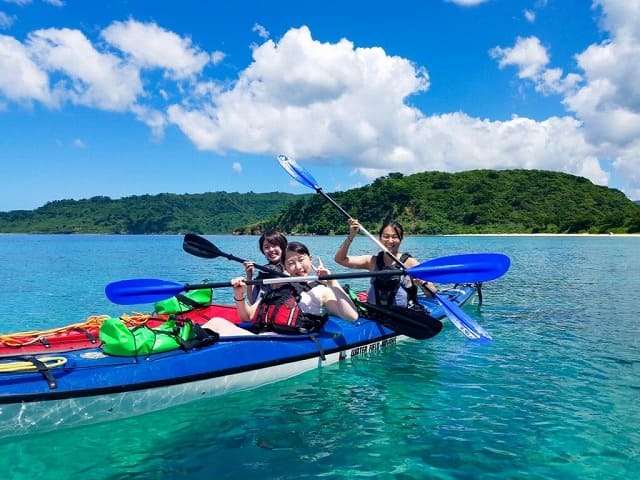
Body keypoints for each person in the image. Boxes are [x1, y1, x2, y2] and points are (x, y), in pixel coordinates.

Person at [203, 241, 359, 336]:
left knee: (216, 324)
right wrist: (239, 294)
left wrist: (331, 281)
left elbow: (352, 316)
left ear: (310, 259)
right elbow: (247, 317)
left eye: (301, 260)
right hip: (263, 337)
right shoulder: (277, 285)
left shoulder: (321, 291)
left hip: (283, 342)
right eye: (291, 263)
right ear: (285, 267)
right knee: (216, 322)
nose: (298, 267)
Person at [333, 218, 436, 307]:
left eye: (395, 237)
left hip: (403, 316)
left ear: (401, 239)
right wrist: (351, 235)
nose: (390, 241)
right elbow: (340, 259)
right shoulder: (371, 261)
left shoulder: (410, 263)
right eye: (386, 236)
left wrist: (423, 284)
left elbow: (432, 294)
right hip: (376, 313)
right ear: (380, 239)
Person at [243, 229, 288, 304]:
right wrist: (249, 276)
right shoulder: (265, 272)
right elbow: (253, 301)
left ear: (282, 246)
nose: (271, 250)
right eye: (266, 247)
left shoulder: (293, 267)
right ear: (263, 250)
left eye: (274, 245)